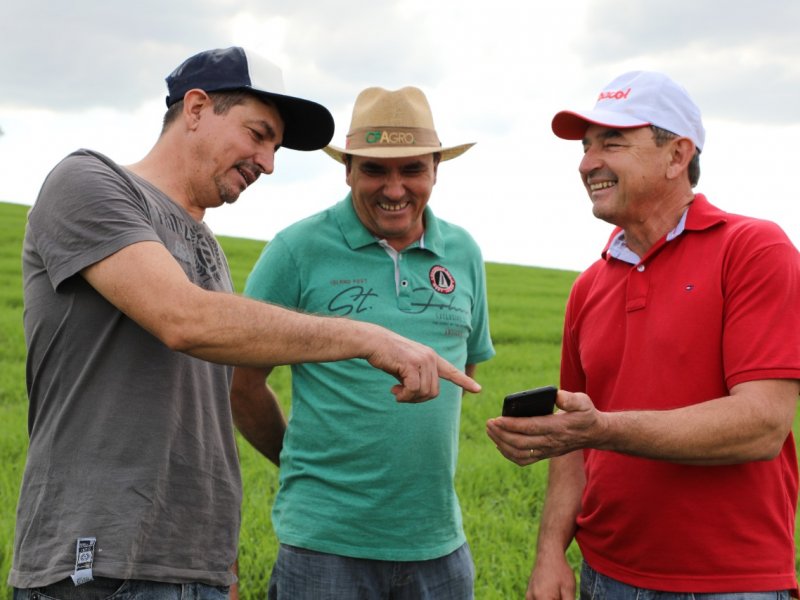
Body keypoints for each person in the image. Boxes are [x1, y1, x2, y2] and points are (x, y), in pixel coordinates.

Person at [9, 47, 480, 600]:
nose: (269, 162)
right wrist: (366, 337)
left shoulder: (205, 245)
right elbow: (183, 319)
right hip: (98, 563)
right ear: (196, 108)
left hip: (193, 565)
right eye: (258, 135)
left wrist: (219, 558)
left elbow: (206, 409)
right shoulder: (87, 182)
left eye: (275, 146)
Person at [486, 70, 800, 599]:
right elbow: (572, 440)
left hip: (728, 582)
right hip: (605, 575)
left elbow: (762, 425)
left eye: (612, 142)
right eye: (586, 147)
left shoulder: (754, 250)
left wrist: (601, 429)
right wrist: (550, 553)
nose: (588, 162)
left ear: (677, 155)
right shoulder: (589, 286)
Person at [231, 85, 495, 599]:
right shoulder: (297, 250)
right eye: (374, 170)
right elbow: (241, 384)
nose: (394, 189)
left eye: (412, 169)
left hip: (438, 545)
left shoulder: (463, 252)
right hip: (324, 548)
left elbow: (463, 373)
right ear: (348, 170)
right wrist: (299, 463)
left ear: (436, 169)